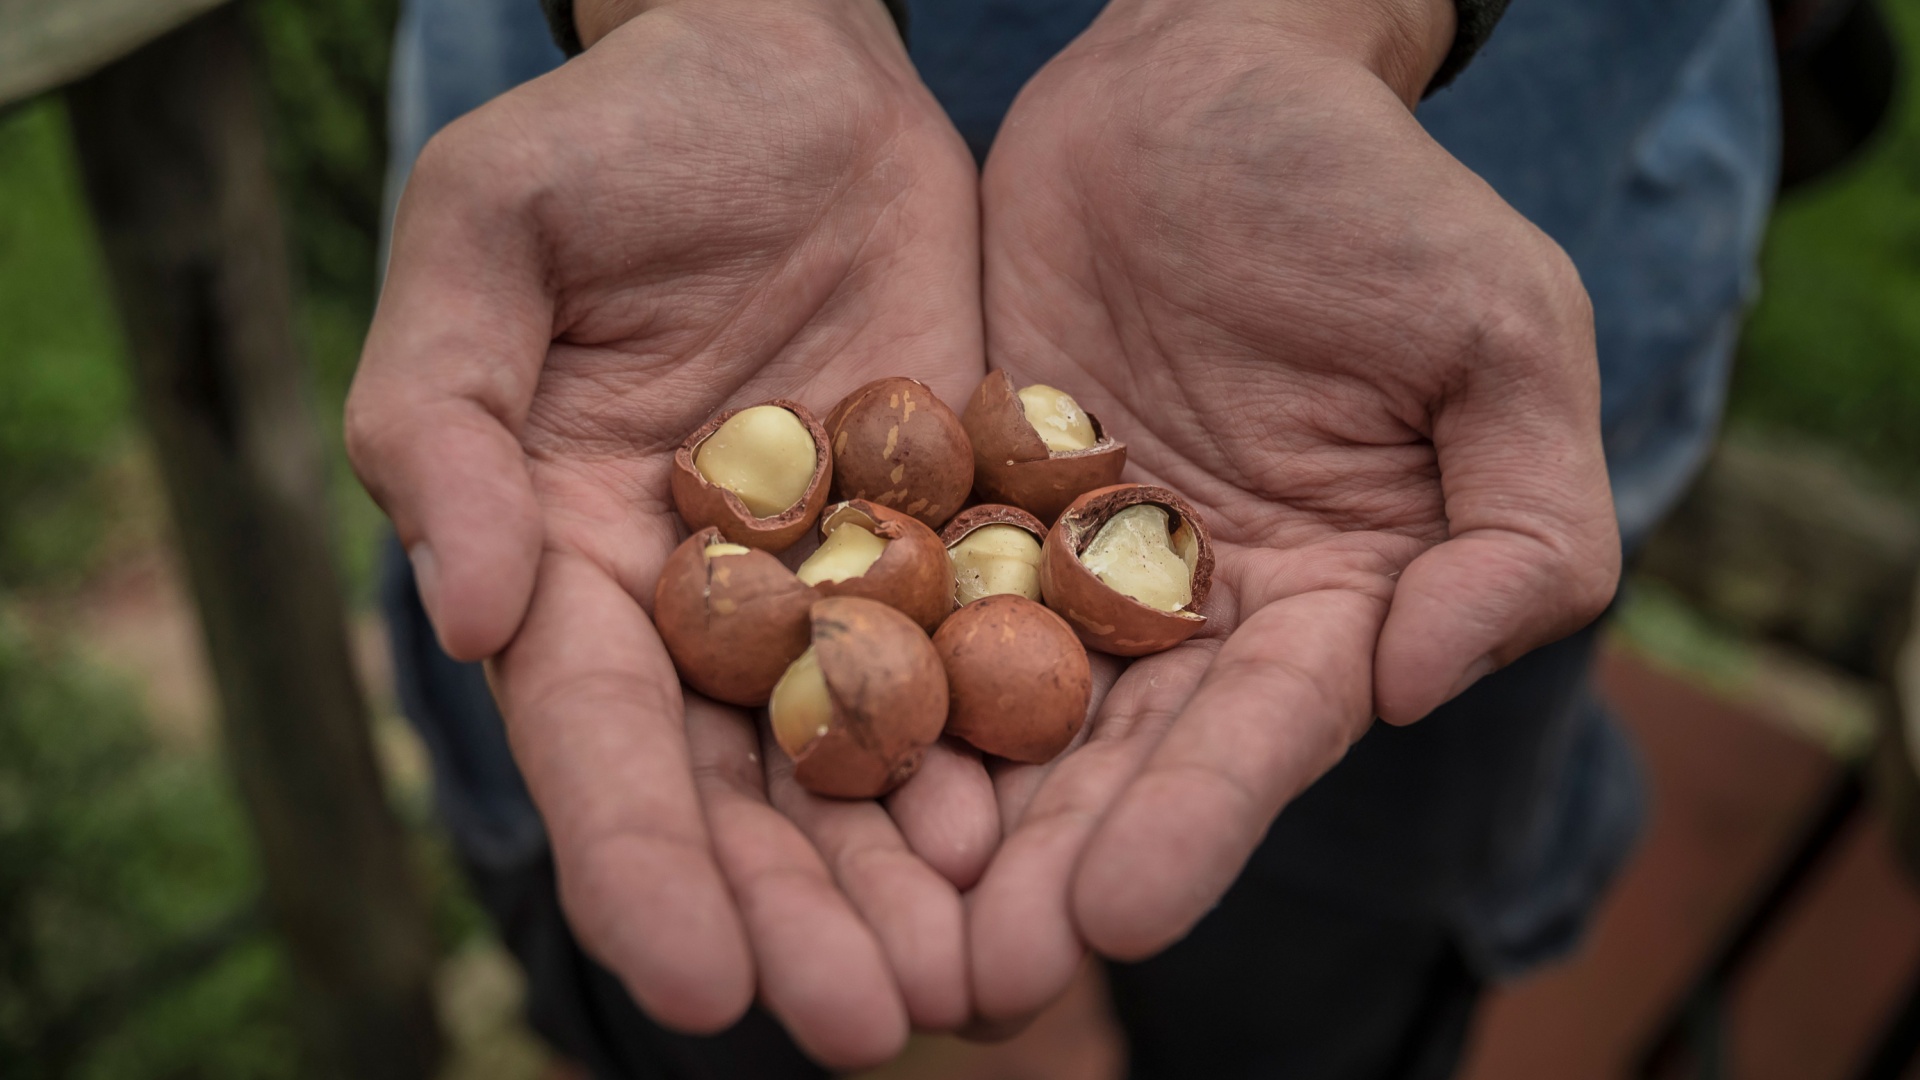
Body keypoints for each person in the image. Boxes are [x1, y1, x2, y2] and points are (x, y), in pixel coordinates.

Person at [345, 0, 1778, 1075]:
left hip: (1348, 405)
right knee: (678, 971)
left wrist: (1303, 24)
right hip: (667, 253)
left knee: (1308, 982)